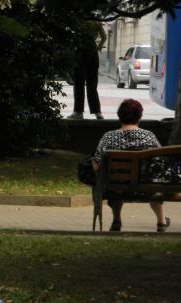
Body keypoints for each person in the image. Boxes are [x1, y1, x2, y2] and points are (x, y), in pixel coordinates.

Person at [92, 98, 170, 232]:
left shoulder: (108, 137)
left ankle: (117, 220)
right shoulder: (149, 136)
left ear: (119, 116)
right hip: (146, 186)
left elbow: (96, 166)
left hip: (116, 186)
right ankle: (161, 222)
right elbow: (160, 163)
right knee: (155, 182)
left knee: (117, 183)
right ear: (139, 117)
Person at [67, 22, 107, 120]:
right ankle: (97, 112)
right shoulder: (96, 22)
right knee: (92, 84)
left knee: (79, 83)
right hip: (93, 52)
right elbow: (104, 37)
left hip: (80, 52)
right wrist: (98, 47)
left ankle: (78, 112)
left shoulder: (78, 21)